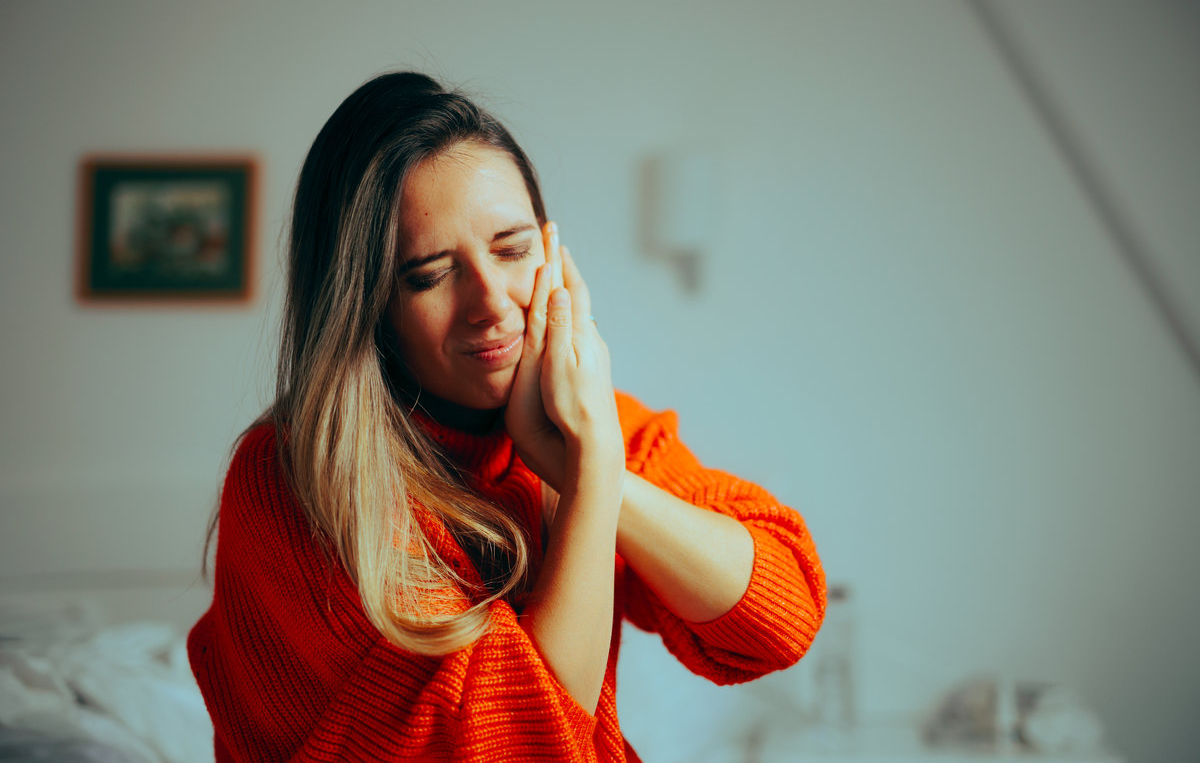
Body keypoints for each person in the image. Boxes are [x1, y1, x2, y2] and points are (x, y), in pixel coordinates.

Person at [188, 71, 826, 762]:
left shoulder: (582, 427)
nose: (492, 301)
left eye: (514, 249)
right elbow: (522, 744)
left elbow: (779, 619)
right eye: (430, 274)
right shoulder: (294, 480)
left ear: (554, 257)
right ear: (363, 305)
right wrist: (589, 483)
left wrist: (593, 465)